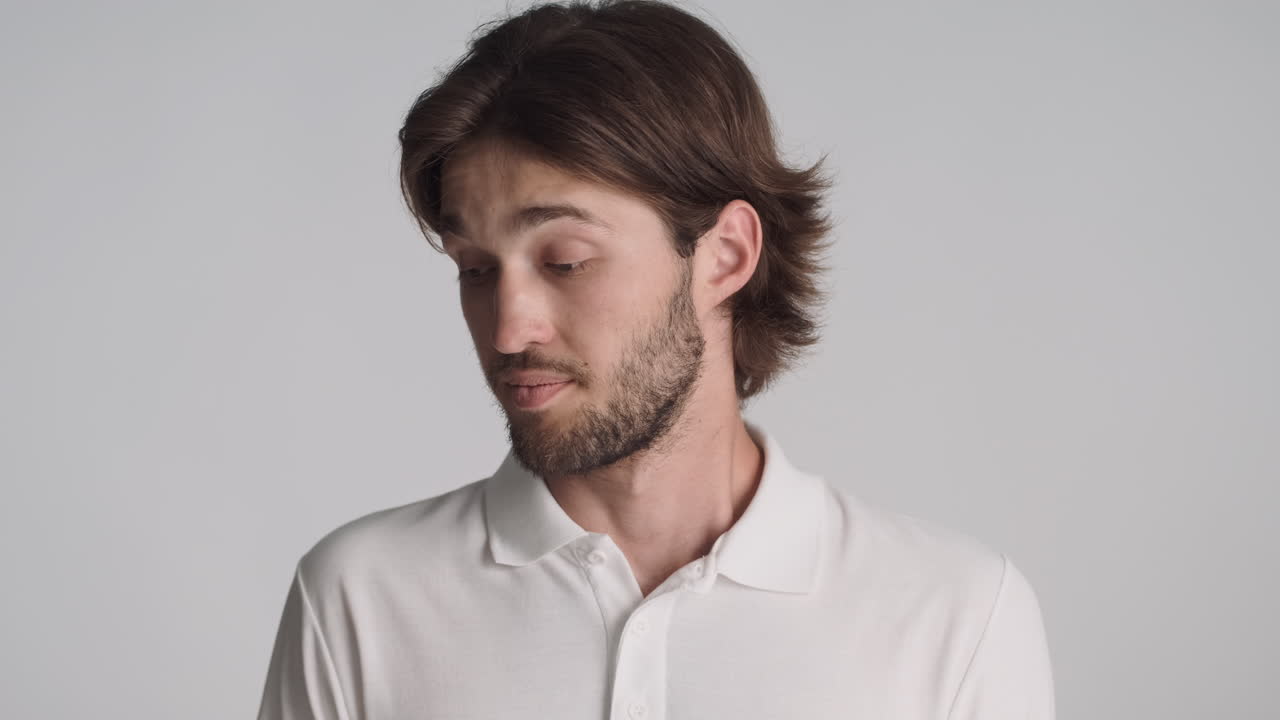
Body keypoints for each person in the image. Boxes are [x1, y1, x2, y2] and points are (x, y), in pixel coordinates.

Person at [255, 1, 1056, 718]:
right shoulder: (361, 598)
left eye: (566, 259)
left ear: (725, 256)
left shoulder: (953, 614)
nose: (506, 329)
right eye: (474, 268)